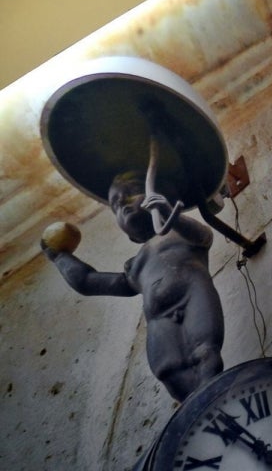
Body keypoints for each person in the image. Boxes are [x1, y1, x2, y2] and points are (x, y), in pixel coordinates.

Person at [41, 171, 224, 402]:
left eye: (132, 193)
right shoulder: (134, 266)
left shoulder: (177, 233)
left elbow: (204, 237)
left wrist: (171, 215)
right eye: (116, 205)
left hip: (192, 295)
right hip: (159, 320)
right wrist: (60, 258)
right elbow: (88, 281)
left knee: (205, 350)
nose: (124, 204)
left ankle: (215, 400)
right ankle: (194, 409)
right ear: (130, 236)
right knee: (168, 369)